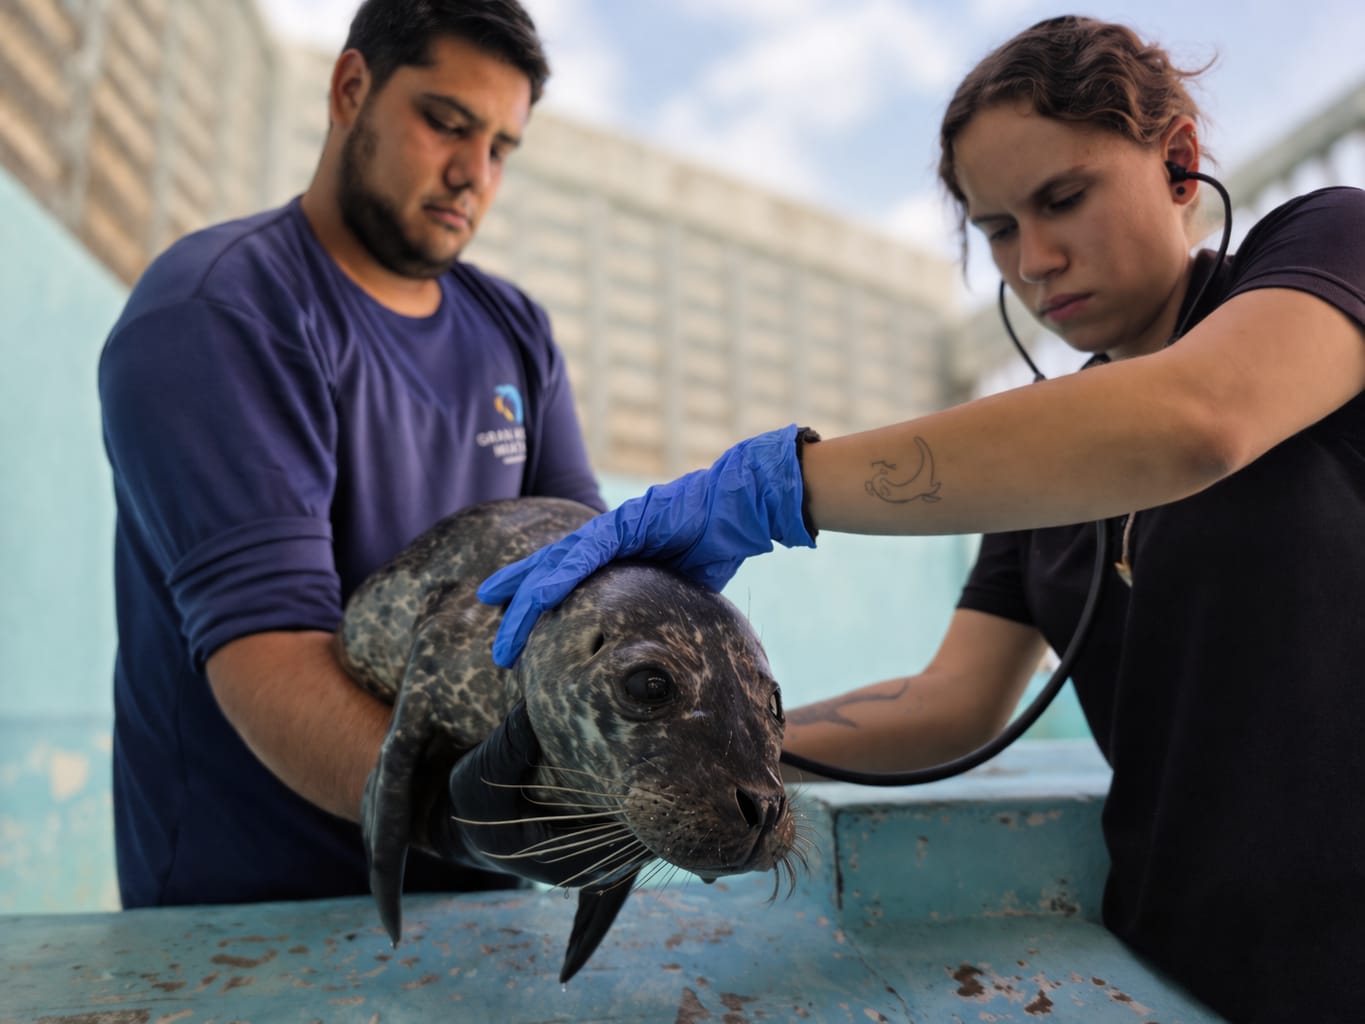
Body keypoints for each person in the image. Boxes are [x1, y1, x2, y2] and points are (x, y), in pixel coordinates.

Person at [476, 16, 1365, 1022]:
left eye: (1061, 199)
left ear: (1179, 161)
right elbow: (950, 703)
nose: (1031, 261)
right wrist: (673, 763)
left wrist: (778, 488)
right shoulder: (1046, 474)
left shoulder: (1332, 245)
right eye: (994, 228)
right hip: (1178, 967)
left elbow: (1204, 418)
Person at [97, 0, 610, 912]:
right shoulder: (219, 312)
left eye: (499, 148)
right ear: (350, 89)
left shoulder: (515, 334)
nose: (472, 173)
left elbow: (587, 588)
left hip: (484, 910)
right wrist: (477, 823)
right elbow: (272, 655)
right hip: (255, 921)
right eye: (446, 123)